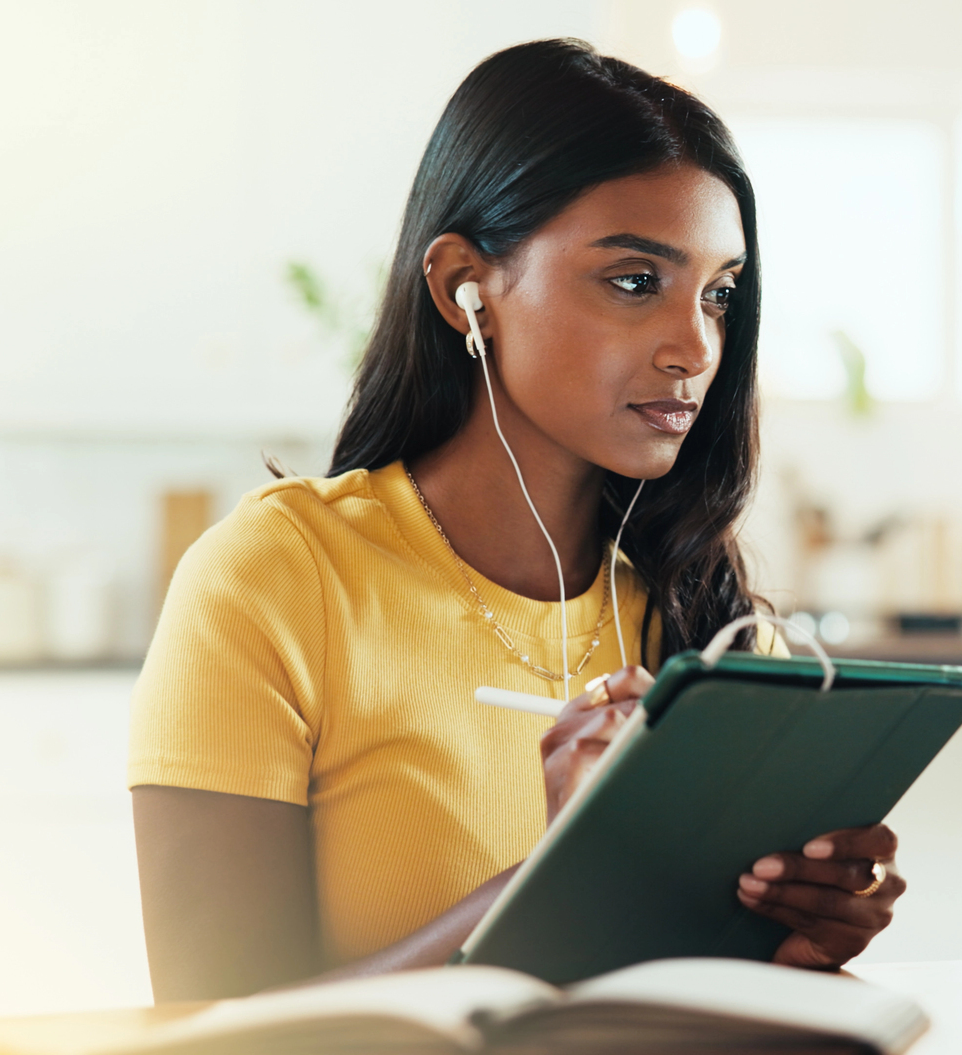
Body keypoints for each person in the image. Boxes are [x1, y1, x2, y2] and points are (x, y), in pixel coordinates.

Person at [128, 39, 904, 1003]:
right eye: (633, 281)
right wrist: (568, 878)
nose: (695, 346)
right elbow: (213, 1029)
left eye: (719, 293)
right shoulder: (277, 576)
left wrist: (803, 931)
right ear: (466, 286)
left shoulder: (713, 616)